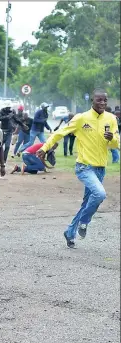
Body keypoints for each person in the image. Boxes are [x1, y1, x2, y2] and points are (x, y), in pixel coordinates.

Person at [36, 88, 120, 248]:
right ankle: (84, 221)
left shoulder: (111, 119)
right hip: (84, 167)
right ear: (92, 101)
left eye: (105, 100)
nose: (102, 103)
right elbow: (59, 133)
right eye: (99, 100)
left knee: (88, 202)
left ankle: (69, 232)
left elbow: (115, 143)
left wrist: (113, 139)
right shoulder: (81, 118)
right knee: (100, 194)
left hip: (100, 169)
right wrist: (45, 148)